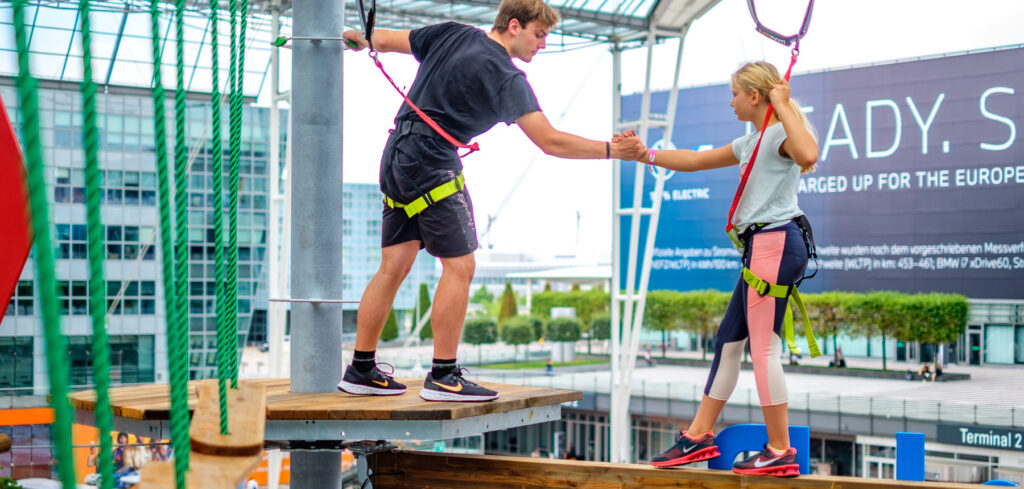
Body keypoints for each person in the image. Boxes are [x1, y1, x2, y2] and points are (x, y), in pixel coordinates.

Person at [335, 0, 643, 402]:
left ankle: (360, 368)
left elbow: (386, 39)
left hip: (396, 154)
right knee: (460, 267)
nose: (543, 45)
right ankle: (444, 376)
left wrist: (357, 38)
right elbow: (550, 141)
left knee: (393, 266)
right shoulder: (505, 77)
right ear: (514, 26)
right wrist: (611, 150)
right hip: (431, 163)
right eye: (539, 34)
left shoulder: (451, 33)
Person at [625, 61, 819, 477]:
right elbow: (697, 161)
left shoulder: (782, 133)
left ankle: (780, 451)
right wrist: (647, 155)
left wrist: (782, 104)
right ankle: (698, 436)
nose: (730, 101)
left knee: (762, 349)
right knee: (729, 342)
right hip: (765, 247)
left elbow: (808, 155)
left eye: (735, 93)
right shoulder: (754, 141)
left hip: (774, 243)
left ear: (754, 95)